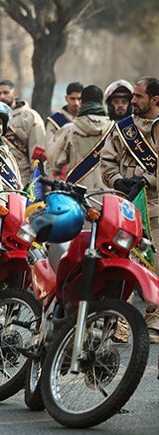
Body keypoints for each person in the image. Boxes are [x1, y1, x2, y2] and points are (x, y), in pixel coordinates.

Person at [100, 76, 159, 342]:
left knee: (155, 266)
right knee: (121, 266)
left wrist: (148, 180)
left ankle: (154, 320)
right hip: (125, 208)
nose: (132, 101)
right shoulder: (122, 129)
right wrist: (117, 181)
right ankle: (118, 323)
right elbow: (107, 163)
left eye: (138, 96)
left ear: (155, 100)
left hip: (156, 208)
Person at [48, 85, 112, 193]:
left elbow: (54, 159)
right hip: (109, 197)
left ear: (82, 102)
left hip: (78, 196)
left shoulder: (69, 130)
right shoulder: (114, 130)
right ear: (102, 103)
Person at [0, 79, 46, 184]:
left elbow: (37, 149)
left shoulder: (30, 116)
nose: (2, 96)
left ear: (15, 93)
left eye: (6, 92)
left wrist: (36, 176)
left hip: (25, 176)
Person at [46, 82, 83, 146]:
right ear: (66, 98)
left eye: (79, 99)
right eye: (72, 99)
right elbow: (49, 148)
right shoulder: (54, 121)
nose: (76, 103)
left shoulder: (88, 120)